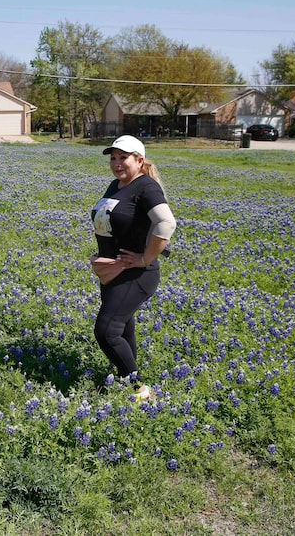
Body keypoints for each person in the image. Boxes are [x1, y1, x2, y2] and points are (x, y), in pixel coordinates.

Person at [90, 135, 176, 401]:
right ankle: (126, 377)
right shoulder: (116, 185)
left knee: (106, 331)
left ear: (139, 160)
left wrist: (144, 258)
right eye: (113, 158)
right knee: (123, 327)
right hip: (113, 270)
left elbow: (166, 223)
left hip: (136, 273)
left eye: (123, 157)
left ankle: (139, 388)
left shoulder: (146, 187)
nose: (117, 163)